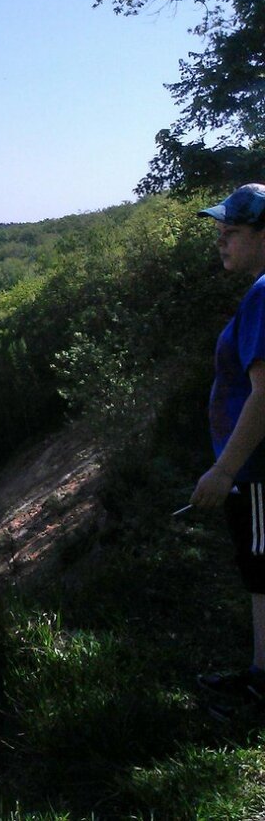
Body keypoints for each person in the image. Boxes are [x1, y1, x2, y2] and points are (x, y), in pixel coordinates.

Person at [191, 182, 265, 701]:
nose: (221, 243)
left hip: (260, 468)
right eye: (219, 232)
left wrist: (226, 470)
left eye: (232, 232)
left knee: (263, 571)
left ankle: (263, 682)